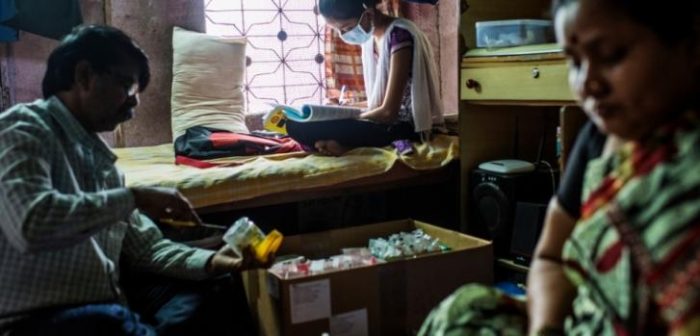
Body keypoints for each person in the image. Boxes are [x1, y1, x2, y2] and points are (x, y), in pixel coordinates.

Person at [419, 0, 700, 335]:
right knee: (465, 313)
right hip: (580, 324)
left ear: (689, 47)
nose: (587, 83)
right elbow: (551, 257)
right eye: (575, 62)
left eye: (610, 54)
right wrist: (547, 328)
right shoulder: (598, 141)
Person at [0, 25, 268, 335]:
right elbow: (31, 225)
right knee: (114, 321)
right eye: (126, 85)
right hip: (35, 321)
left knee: (216, 285)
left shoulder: (102, 162)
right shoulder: (23, 129)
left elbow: (148, 250)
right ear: (84, 76)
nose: (134, 102)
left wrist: (216, 262)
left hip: (104, 308)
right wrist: (136, 197)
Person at [286, 0, 444, 155]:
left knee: (300, 128)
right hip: (384, 120)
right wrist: (341, 110)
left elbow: (388, 112)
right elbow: (377, 102)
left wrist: (351, 117)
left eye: (347, 27)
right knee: (297, 122)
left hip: (403, 127)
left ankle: (348, 147)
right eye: (339, 31)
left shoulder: (399, 35)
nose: (345, 35)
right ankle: (343, 146)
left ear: (367, 14)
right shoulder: (371, 41)